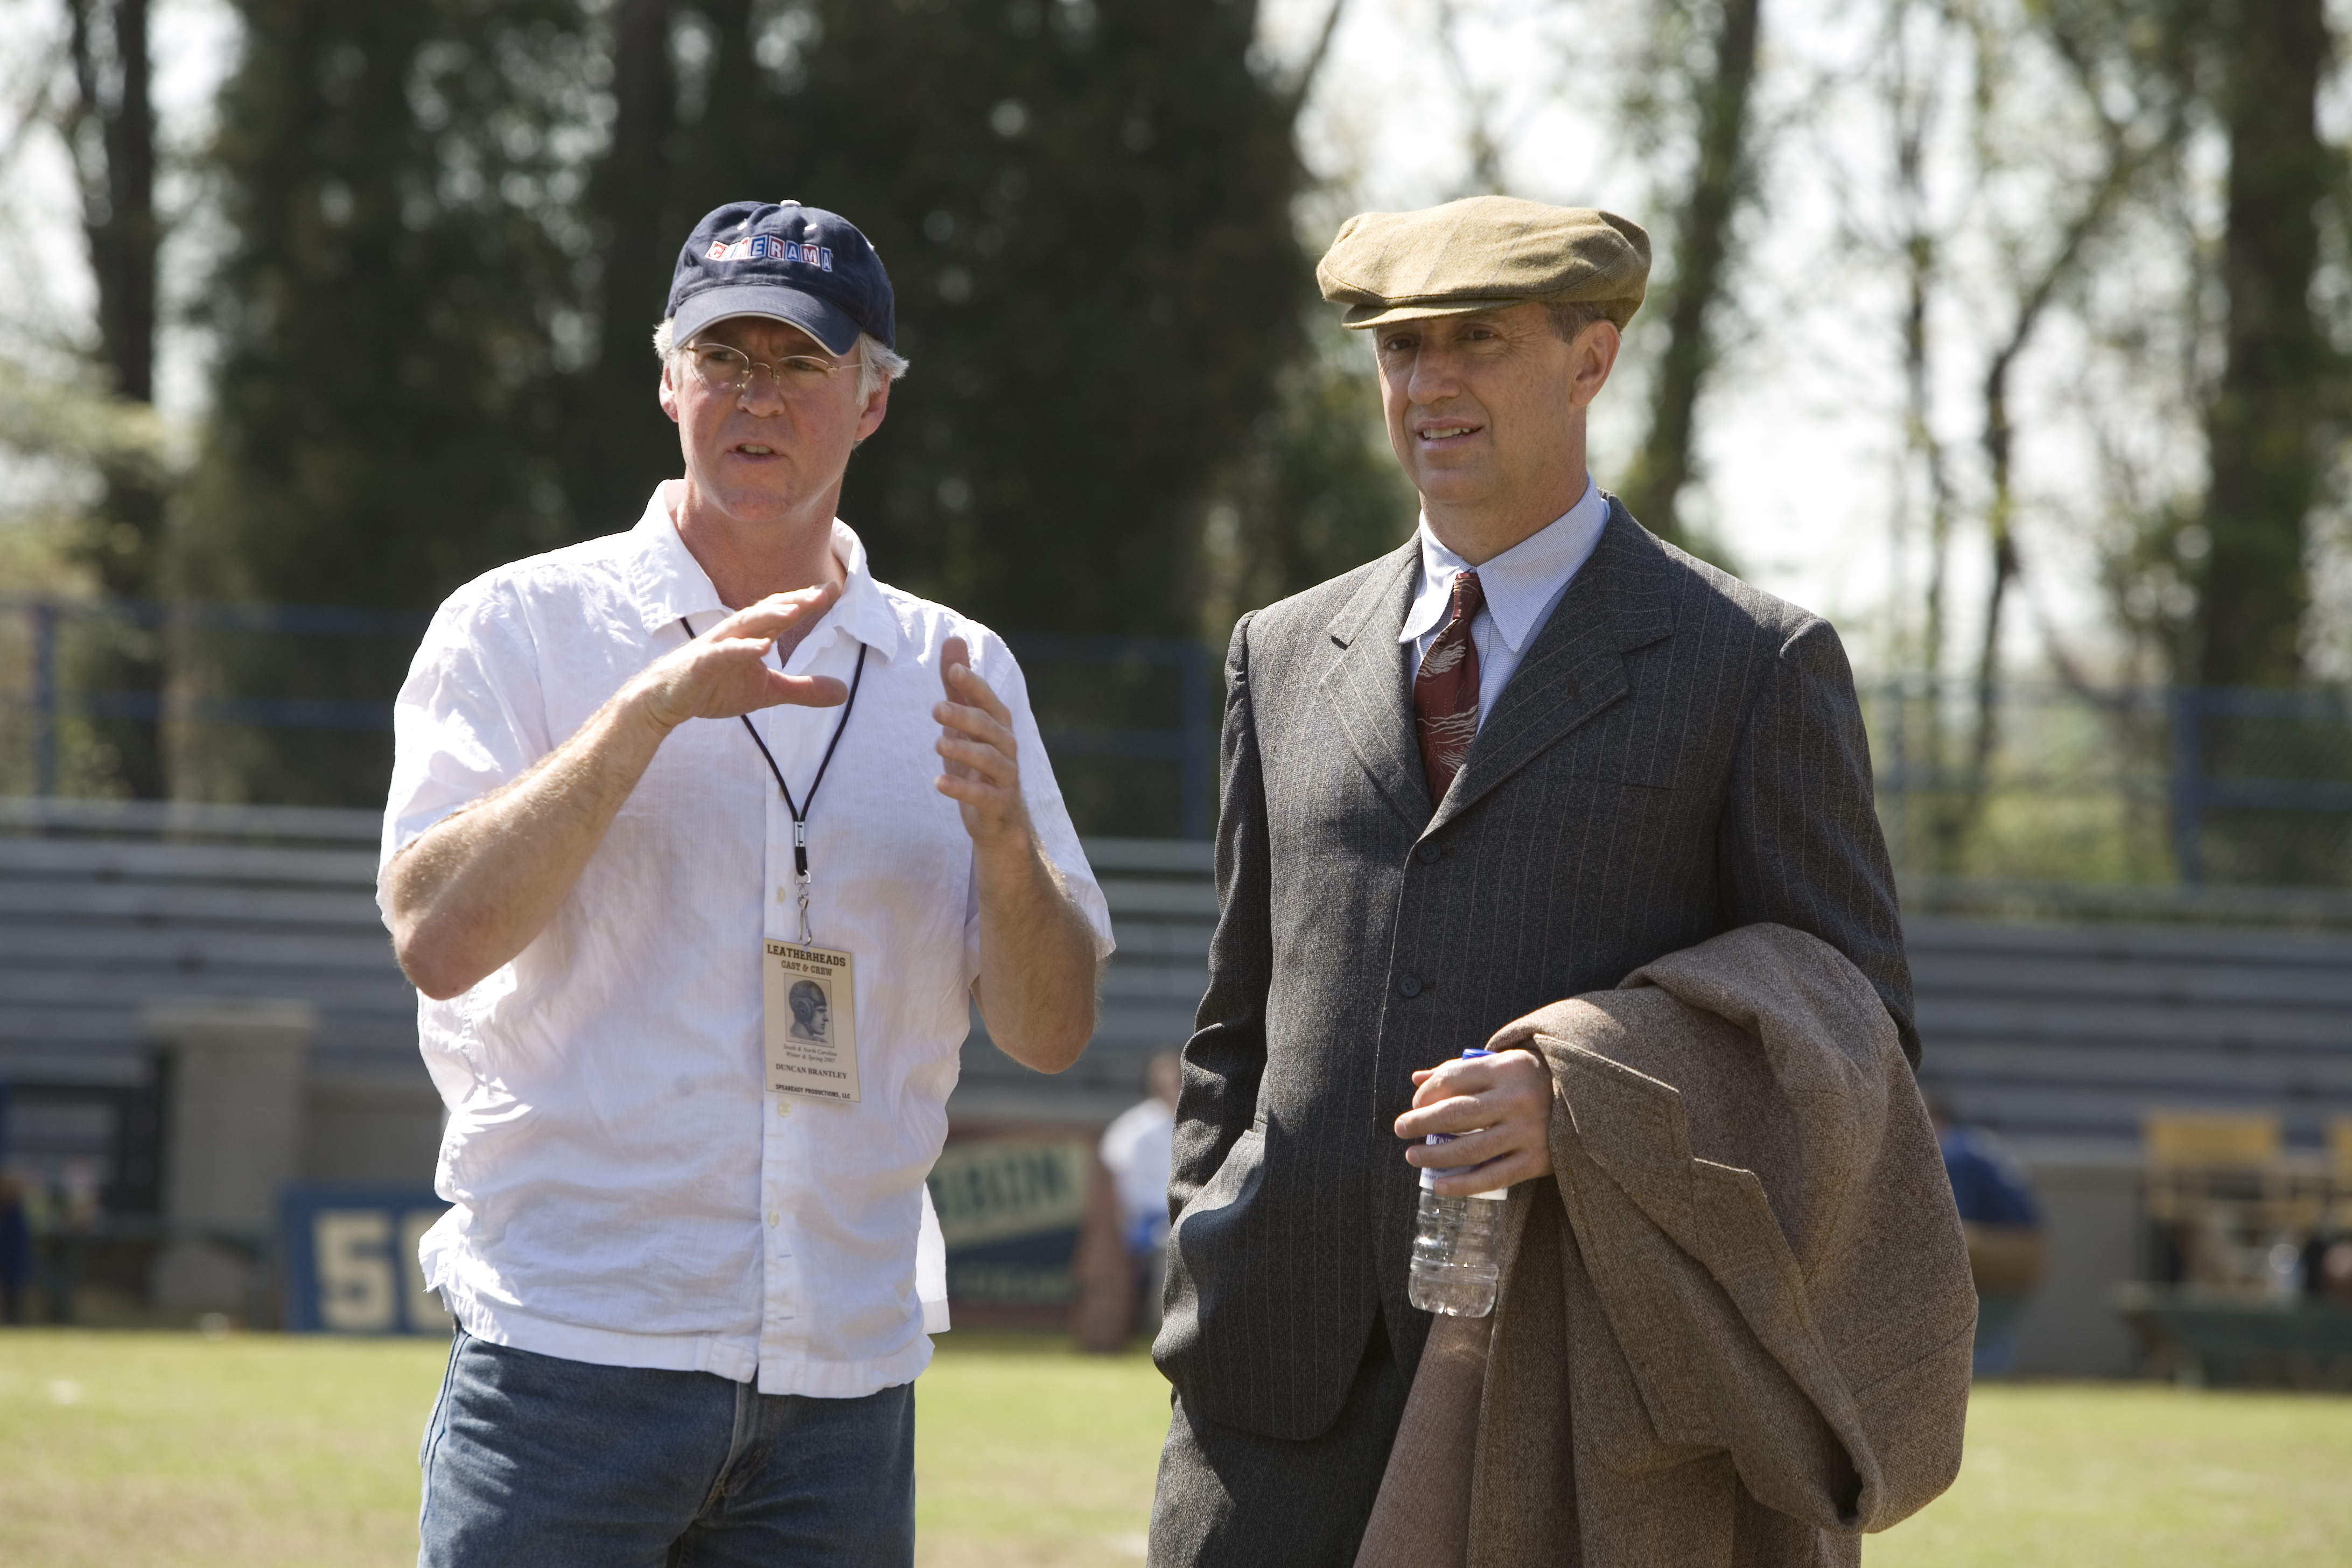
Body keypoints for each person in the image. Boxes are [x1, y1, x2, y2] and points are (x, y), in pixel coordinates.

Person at [1148, 197, 1917, 1566]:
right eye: (1400, 349)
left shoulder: (1752, 662)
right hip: (1269, 1395)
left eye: (1478, 340)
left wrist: (1592, 1095)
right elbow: (1237, 1026)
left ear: (1592, 358)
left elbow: (1853, 1043)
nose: (1429, 382)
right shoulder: (1278, 650)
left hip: (1587, 1394)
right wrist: (1204, 1249)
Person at [380, 198, 1112, 1568]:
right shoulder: (522, 626)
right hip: (569, 1363)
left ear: (873, 401)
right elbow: (436, 935)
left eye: (800, 363)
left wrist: (1010, 847)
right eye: (724, 359)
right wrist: (644, 713)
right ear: (669, 386)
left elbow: (1053, 1028)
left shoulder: (960, 671)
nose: (755, 398)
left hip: (840, 1387)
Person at [1931, 1098, 2045, 1375]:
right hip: (2032, 1245)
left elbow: (1956, 1224)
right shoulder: (1975, 1141)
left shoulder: (1955, 1150)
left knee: (1925, 1247)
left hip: (2003, 1247)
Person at [1100, 1050, 1181, 1335]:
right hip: (1146, 1222)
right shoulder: (1134, 1127)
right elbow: (1111, 1170)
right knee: (1173, 1245)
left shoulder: (1197, 1123)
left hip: (1185, 1215)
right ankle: (1165, 1330)